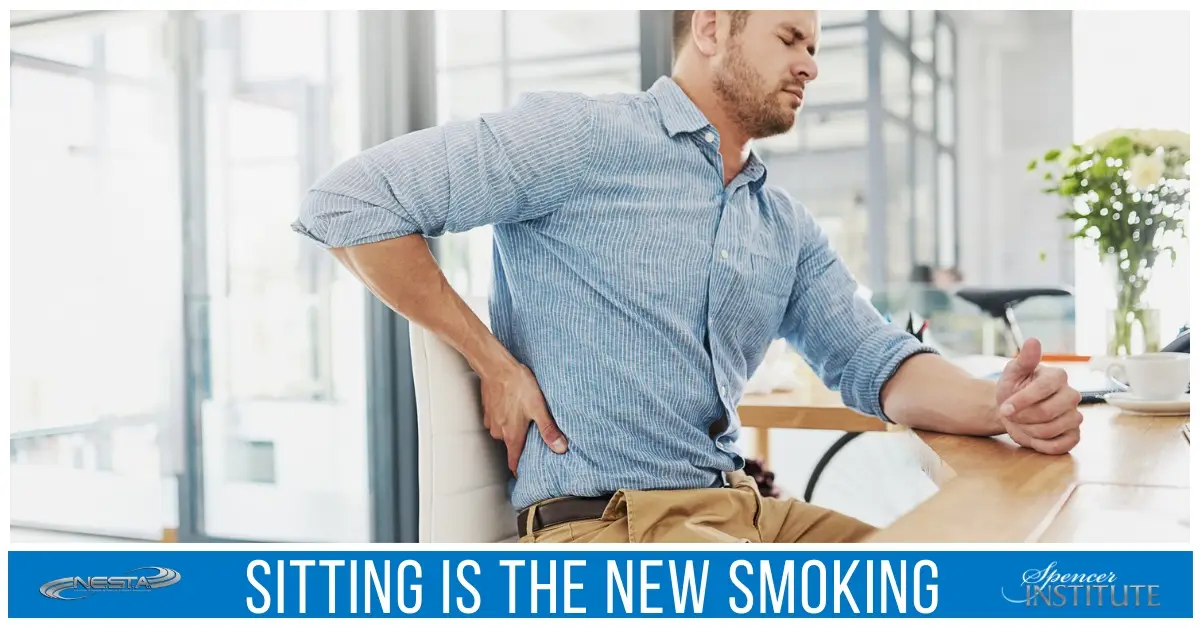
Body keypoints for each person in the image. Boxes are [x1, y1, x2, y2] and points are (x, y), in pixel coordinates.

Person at [292, 10, 1083, 543]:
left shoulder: (781, 225)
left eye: (815, 46)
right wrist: (492, 362)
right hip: (611, 532)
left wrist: (1000, 404)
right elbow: (349, 202)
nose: (811, 64)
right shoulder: (582, 139)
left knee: (962, 580)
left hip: (741, 513)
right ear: (712, 27)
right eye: (790, 39)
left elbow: (873, 360)